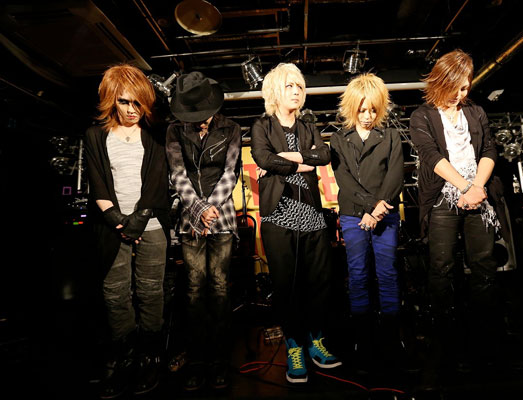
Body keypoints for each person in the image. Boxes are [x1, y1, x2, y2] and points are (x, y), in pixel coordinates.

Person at [408, 49, 503, 388]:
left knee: (484, 265)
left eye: (466, 87)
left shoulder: (475, 112)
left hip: (477, 193)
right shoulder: (421, 116)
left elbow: (489, 149)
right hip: (443, 198)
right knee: (442, 268)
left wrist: (476, 187)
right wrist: (464, 187)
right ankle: (447, 342)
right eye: (455, 87)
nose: (461, 94)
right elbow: (431, 156)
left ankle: (486, 340)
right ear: (440, 80)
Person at [251, 63, 341, 383]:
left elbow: (324, 156)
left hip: (312, 216)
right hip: (279, 216)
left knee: (319, 283)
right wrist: (303, 160)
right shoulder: (262, 125)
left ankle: (316, 341)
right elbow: (263, 158)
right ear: (275, 91)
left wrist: (288, 158)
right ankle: (294, 346)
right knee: (286, 286)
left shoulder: (308, 126)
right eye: (289, 86)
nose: (296, 92)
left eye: (300, 87)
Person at [84, 64, 170, 398]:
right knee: (114, 292)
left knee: (150, 291)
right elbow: (97, 181)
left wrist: (139, 219)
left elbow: (157, 181)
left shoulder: (155, 134)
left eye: (138, 102)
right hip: (112, 225)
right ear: (111, 100)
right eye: (125, 102)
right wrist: (117, 220)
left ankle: (150, 355)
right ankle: (123, 355)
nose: (133, 109)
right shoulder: (95, 135)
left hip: (150, 224)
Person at [166, 71, 241, 391]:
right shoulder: (174, 130)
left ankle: (220, 359)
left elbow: (231, 172)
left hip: (222, 218)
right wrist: (199, 209)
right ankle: (197, 359)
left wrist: (210, 208)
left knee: (220, 289)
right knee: (194, 291)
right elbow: (177, 174)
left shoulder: (231, 128)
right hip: (189, 220)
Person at [330, 73, 404, 371]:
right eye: (362, 110)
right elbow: (344, 180)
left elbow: (395, 174)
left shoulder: (391, 136)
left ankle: (392, 336)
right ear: (352, 107)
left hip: (386, 213)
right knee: (358, 274)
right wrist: (369, 207)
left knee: (388, 274)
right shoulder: (338, 138)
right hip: (353, 215)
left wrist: (378, 209)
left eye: (373, 110)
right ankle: (362, 337)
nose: (367, 116)